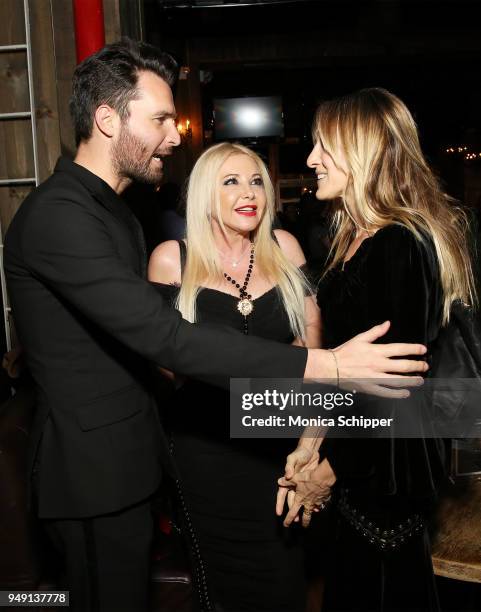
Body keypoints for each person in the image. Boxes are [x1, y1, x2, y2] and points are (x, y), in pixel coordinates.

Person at [3, 35, 428, 612]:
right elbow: (165, 342)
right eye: (159, 119)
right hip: (123, 470)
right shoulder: (73, 220)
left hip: (218, 452)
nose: (174, 134)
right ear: (107, 120)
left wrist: (315, 442)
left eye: (256, 179)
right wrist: (327, 369)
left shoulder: (123, 216)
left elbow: (411, 393)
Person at [277, 87, 478, 612]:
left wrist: (328, 468)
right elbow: (346, 367)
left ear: (363, 151)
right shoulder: (356, 235)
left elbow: (394, 383)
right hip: (362, 460)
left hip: (385, 469)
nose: (310, 159)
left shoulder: (397, 243)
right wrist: (312, 442)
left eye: (324, 146)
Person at [148, 142, 322, 611]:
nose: (249, 193)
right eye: (231, 181)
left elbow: (315, 359)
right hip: (206, 453)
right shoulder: (172, 260)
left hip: (279, 448)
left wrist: (313, 442)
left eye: (256, 181)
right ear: (206, 192)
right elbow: (169, 369)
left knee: (286, 582)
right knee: (221, 589)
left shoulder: (285, 248)